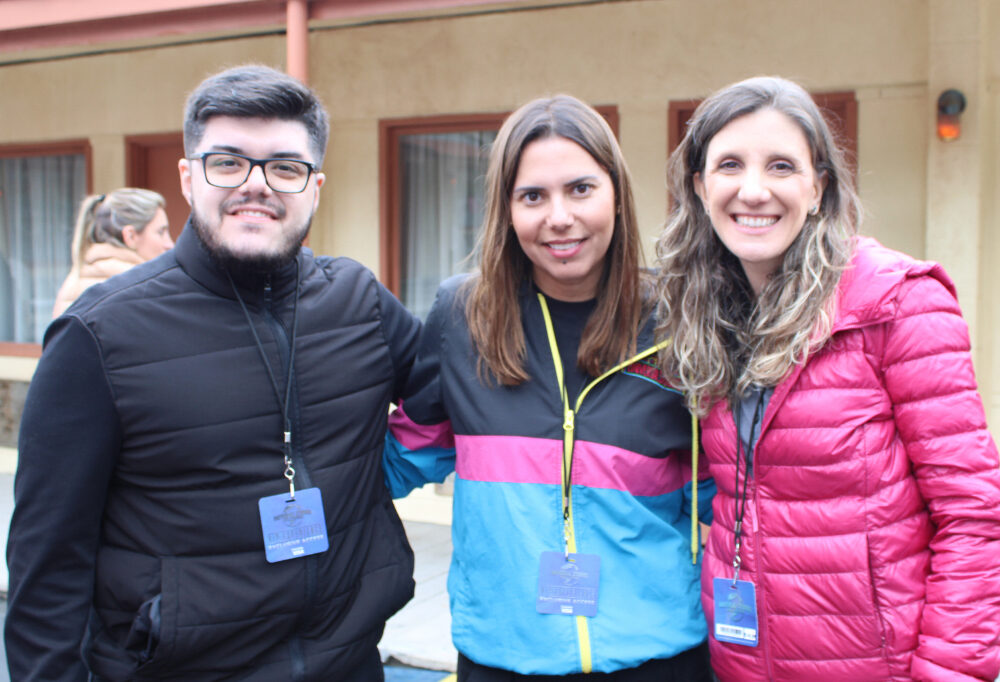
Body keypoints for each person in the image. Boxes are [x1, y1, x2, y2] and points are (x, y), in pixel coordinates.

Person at [6, 65, 421, 681]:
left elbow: (468, 384)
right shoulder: (98, 335)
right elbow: (47, 568)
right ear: (188, 176)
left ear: (315, 185)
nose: (257, 184)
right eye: (228, 162)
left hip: (348, 664)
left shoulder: (358, 302)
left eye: (285, 167)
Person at [655, 75, 1000, 681]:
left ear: (819, 186)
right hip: (740, 663)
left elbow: (974, 522)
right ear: (699, 186)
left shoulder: (898, 305)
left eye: (780, 166)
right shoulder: (700, 315)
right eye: (729, 165)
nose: (753, 190)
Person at [384, 94, 716, 680]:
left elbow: (729, 488)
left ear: (616, 192)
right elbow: (402, 457)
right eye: (532, 196)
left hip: (659, 654)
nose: (558, 217)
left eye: (581, 189)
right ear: (506, 210)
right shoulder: (462, 317)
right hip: (502, 656)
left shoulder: (678, 318)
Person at [52, 188, 173, 316]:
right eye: (161, 232)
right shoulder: (138, 288)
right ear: (130, 236)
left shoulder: (77, 276)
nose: (170, 244)